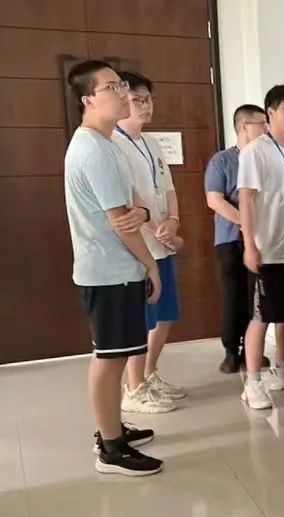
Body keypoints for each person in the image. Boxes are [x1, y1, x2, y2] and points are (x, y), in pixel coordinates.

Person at [64, 60, 162, 476]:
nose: (123, 93)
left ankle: (112, 428)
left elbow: (133, 205)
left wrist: (142, 213)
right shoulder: (93, 150)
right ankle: (111, 447)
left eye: (122, 85)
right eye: (112, 87)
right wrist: (151, 266)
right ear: (88, 99)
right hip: (110, 271)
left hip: (115, 269)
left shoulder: (106, 143)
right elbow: (122, 222)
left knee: (116, 354)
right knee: (109, 358)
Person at [113, 71, 185, 414]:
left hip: (162, 242)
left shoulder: (152, 143)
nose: (145, 106)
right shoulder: (113, 145)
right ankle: (134, 388)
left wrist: (173, 221)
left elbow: (168, 189)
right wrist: (157, 227)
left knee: (166, 315)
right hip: (138, 245)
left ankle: (149, 373)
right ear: (122, 101)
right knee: (142, 320)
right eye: (137, 100)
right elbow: (127, 198)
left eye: (148, 99)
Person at [238, 85, 284, 409]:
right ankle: (252, 383)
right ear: (270, 113)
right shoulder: (255, 151)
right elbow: (246, 200)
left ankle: (283, 370)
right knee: (261, 315)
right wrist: (249, 245)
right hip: (266, 248)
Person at [206, 104, 271, 374]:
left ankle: (251, 351)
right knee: (233, 296)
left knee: (255, 297)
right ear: (244, 127)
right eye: (261, 123)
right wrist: (245, 222)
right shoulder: (222, 160)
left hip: (260, 240)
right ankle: (231, 350)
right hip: (230, 240)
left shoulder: (264, 158)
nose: (266, 128)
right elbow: (215, 200)